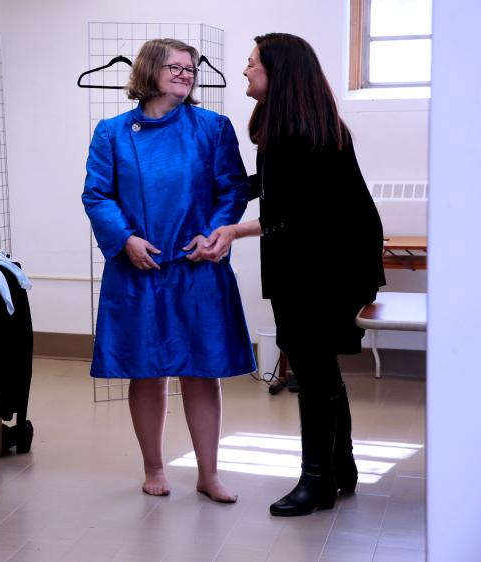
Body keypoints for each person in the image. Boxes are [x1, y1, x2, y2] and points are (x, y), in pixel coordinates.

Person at [203, 32, 385, 516]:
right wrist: (220, 188)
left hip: (328, 265)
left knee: (313, 367)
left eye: (251, 63)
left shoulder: (302, 133)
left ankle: (317, 483)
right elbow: (275, 186)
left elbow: (297, 213)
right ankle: (340, 468)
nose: (245, 70)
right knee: (319, 366)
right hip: (318, 259)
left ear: (277, 73)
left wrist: (231, 231)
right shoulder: (293, 124)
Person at [82, 38, 256, 503]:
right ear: (148, 71)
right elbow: (97, 195)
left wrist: (217, 232)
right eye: (175, 67)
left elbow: (232, 189)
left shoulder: (213, 128)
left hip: (198, 264)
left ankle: (208, 473)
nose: (185, 74)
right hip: (140, 265)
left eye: (191, 68)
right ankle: (154, 467)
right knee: (147, 370)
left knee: (202, 371)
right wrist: (124, 239)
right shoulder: (112, 133)